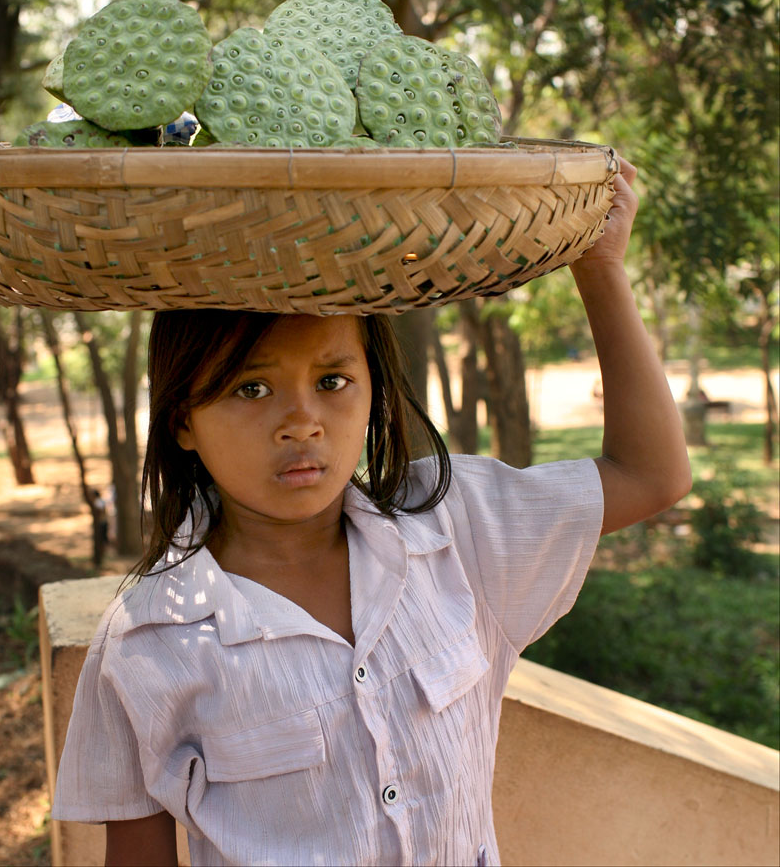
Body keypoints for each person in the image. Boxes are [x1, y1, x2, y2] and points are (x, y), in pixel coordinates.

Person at [51, 157, 691, 866]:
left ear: (374, 391)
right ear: (182, 420)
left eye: (333, 381)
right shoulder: (146, 641)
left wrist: (600, 270)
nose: (303, 422)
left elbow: (650, 474)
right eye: (251, 389)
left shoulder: (457, 529)